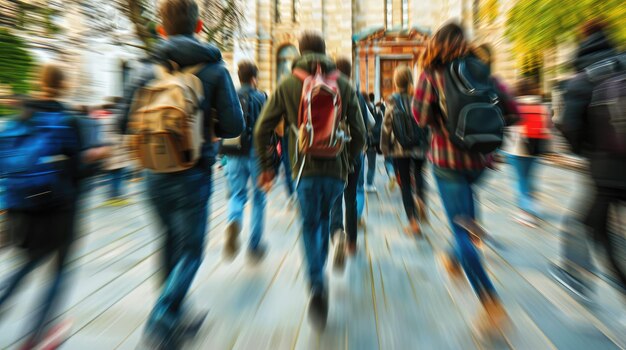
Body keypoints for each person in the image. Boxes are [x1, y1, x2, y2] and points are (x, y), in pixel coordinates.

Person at [121, 0, 244, 346]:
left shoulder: (144, 67)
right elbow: (235, 125)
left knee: (168, 242)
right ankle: (162, 317)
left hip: (152, 174)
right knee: (190, 251)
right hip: (193, 173)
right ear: (200, 26)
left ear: (161, 29)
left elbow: (121, 121)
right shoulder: (214, 69)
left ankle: (176, 316)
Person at [254, 31, 366, 329]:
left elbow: (260, 129)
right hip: (335, 172)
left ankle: (317, 284)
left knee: (309, 225)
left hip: (302, 171)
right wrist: (347, 161)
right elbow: (362, 133)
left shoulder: (288, 83)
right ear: (325, 51)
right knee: (328, 218)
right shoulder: (343, 84)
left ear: (299, 53)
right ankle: (323, 267)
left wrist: (267, 166)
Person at [412, 23, 518, 332]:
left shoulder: (432, 74)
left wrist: (442, 121)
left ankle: (490, 303)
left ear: (437, 43)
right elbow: (511, 109)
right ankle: (455, 255)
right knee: (465, 219)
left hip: (447, 162)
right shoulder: (481, 69)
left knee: (461, 229)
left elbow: (419, 116)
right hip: (480, 162)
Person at [0, 64, 107, 349]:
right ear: (64, 86)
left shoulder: (18, 118)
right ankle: (38, 334)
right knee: (59, 272)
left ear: (38, 83)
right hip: (60, 210)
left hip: (20, 208)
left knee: (25, 265)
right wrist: (96, 157)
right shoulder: (69, 119)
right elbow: (80, 170)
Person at [551, 19, 626, 301]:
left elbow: (570, 127)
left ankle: (575, 275)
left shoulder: (583, 79)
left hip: (606, 173)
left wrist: (586, 151)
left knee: (596, 229)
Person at [329, 57, 372, 269]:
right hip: (354, 154)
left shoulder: (329, 91)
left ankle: (337, 234)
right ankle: (352, 243)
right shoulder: (357, 95)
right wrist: (356, 154)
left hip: (334, 153)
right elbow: (365, 128)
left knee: (336, 197)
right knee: (351, 197)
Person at [223, 60, 268, 261]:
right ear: (253, 78)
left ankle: (234, 219)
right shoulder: (261, 97)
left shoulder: (230, 96)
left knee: (237, 195)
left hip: (233, 151)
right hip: (256, 153)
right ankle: (254, 246)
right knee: (259, 198)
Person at [381, 65, 428, 236]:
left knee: (406, 184)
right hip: (420, 147)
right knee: (419, 174)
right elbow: (427, 122)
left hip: (400, 149)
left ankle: (413, 223)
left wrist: (385, 148)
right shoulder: (418, 98)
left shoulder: (392, 100)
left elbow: (386, 127)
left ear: (395, 82)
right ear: (411, 80)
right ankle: (421, 199)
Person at [503, 78, 551, 227]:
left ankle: (527, 213)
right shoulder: (543, 107)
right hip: (537, 149)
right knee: (530, 178)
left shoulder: (514, 106)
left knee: (520, 180)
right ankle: (532, 205)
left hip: (516, 149)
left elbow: (507, 128)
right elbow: (549, 127)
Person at [95, 104, 134, 206]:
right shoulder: (115, 119)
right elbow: (121, 133)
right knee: (118, 175)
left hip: (107, 151)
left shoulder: (101, 120)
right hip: (117, 151)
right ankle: (116, 196)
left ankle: (112, 195)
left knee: (112, 175)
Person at [365, 92, 383, 192]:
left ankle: (360, 184)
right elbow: (378, 127)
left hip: (363, 142)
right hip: (372, 142)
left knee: (360, 165)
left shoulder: (361, 108)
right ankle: (369, 184)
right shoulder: (376, 111)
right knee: (371, 164)